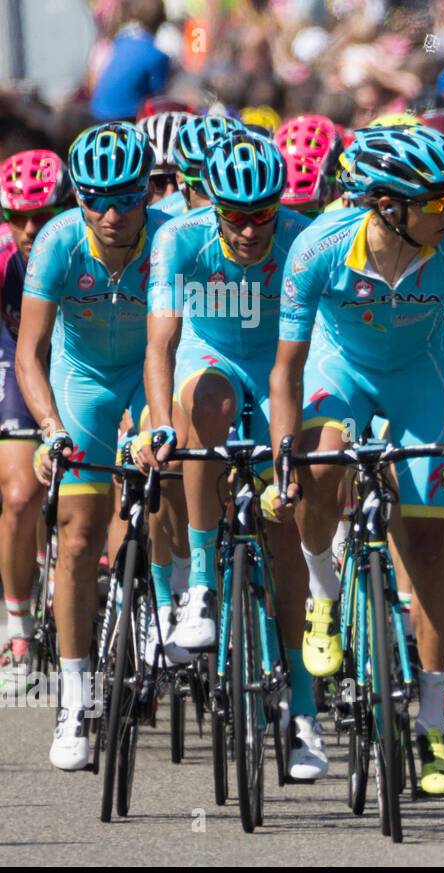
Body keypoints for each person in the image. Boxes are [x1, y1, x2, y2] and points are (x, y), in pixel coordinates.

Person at [269, 127, 444, 796]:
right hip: (341, 371)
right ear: (388, 205)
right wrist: (286, 458)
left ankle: (430, 719)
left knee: (429, 542)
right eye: (435, 200)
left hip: (422, 376)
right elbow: (286, 370)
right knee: (322, 460)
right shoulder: (318, 247)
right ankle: (322, 593)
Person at [136, 131, 320, 774]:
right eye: (235, 217)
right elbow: (160, 347)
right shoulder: (178, 240)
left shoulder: (301, 239)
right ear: (212, 208)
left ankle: (303, 710)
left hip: (276, 371)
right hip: (208, 361)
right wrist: (162, 425)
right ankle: (205, 591)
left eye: (261, 215)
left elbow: (319, 345)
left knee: (285, 528)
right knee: (204, 405)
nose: (249, 230)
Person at [17, 122, 169, 770]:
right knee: (78, 534)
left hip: (149, 370)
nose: (110, 214)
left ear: (146, 195)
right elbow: (30, 353)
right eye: (95, 199)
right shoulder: (55, 242)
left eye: (126, 199)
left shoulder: (170, 239)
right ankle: (75, 693)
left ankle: (170, 598)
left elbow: (180, 342)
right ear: (78, 198)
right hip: (81, 382)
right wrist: (51, 428)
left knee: (167, 486)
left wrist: (155, 414)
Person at [0, 151, 73, 671]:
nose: (29, 229)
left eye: (41, 216)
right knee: (21, 496)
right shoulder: (3, 258)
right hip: (14, 359)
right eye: (17, 217)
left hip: (76, 359)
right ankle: (18, 624)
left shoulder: (82, 242)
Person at [89, 0, 172, 122]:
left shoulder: (121, 40)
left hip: (96, 113)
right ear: (161, 22)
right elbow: (159, 95)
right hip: (125, 117)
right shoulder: (157, 55)